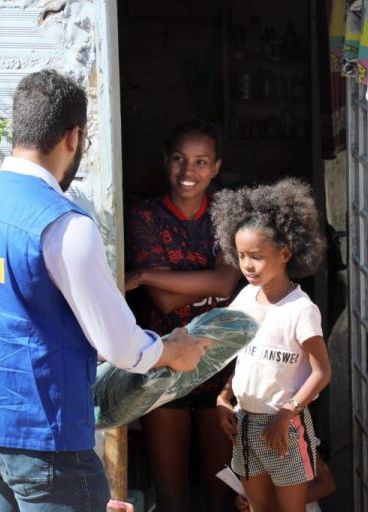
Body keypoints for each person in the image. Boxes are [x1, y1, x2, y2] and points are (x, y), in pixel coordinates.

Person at [0, 69, 212, 512]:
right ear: (73, 138)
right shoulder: (63, 225)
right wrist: (173, 350)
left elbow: (11, 313)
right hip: (43, 438)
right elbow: (122, 347)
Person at [124, 119, 244, 512]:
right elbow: (163, 302)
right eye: (179, 159)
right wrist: (198, 280)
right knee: (171, 498)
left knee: (218, 496)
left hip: (220, 365)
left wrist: (142, 274)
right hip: (162, 366)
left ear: (216, 167)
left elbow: (226, 282)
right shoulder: (144, 216)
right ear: (165, 161)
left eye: (200, 161)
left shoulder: (228, 215)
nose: (188, 172)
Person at [211, 178, 332, 512]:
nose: (247, 265)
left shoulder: (301, 310)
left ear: (286, 252)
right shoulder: (246, 298)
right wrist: (224, 398)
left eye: (257, 256)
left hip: (285, 428)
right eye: (241, 256)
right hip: (246, 424)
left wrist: (286, 412)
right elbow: (245, 359)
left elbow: (322, 372)